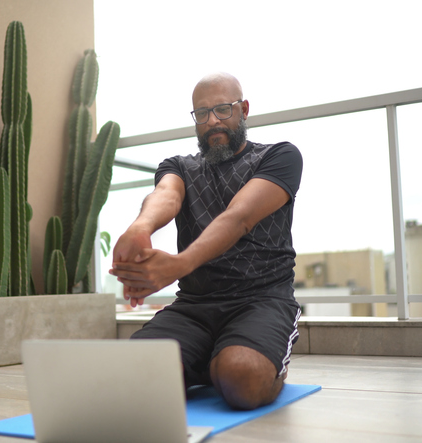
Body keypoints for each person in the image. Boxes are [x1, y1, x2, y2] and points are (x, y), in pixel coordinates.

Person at [109, 72, 303, 410]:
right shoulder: (179, 167)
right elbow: (165, 197)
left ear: (243, 109)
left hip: (262, 301)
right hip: (194, 307)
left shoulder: (280, 156)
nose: (212, 121)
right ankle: (205, 360)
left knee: (242, 377)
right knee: (126, 374)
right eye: (202, 113)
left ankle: (231, 362)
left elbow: (238, 217)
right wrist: (141, 228)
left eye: (223, 109)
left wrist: (178, 264)